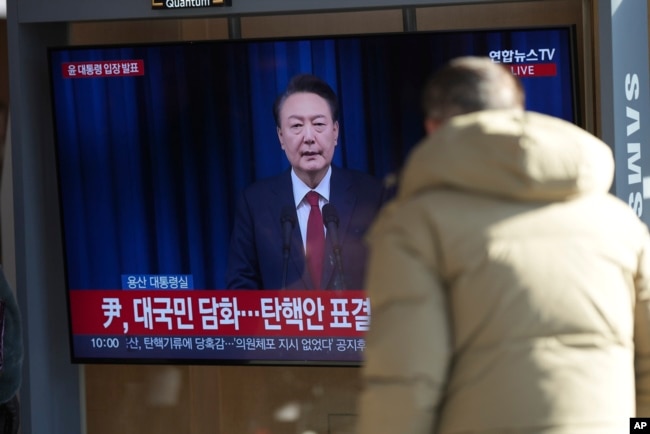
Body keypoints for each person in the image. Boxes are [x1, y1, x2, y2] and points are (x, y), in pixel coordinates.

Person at [356, 56, 650, 433]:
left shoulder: (415, 225)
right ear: (516, 113)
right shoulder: (619, 220)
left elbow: (406, 381)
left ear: (434, 128)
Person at [226, 74, 386, 290]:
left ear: (335, 132)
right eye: (297, 126)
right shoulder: (255, 203)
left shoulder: (372, 195)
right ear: (281, 137)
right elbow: (241, 287)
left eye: (319, 124)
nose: (309, 137)